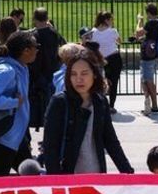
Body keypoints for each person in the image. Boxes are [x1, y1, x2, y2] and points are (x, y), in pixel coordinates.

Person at [42, 46, 133, 175]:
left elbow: (111, 141)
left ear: (94, 74)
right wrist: (57, 180)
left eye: (84, 73)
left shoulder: (100, 102)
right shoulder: (59, 102)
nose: (79, 79)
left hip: (96, 174)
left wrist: (128, 173)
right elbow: (50, 147)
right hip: (68, 176)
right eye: (73, 74)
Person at [0, 31, 37, 176]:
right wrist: (14, 102)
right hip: (3, 137)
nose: (37, 50)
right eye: (36, 46)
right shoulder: (6, 70)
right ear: (26, 50)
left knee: (31, 176)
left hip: (16, 135)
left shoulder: (21, 67)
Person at [28, 7, 66, 129]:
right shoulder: (54, 33)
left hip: (37, 73)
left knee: (39, 104)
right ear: (47, 18)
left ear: (34, 19)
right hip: (53, 70)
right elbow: (64, 44)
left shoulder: (33, 35)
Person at [88, 11, 123, 110]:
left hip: (101, 58)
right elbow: (119, 41)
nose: (112, 21)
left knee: (100, 81)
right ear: (106, 20)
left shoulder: (93, 32)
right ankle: (111, 105)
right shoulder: (113, 31)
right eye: (111, 19)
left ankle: (101, 103)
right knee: (114, 82)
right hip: (114, 57)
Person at [135, 3, 158, 114]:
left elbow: (138, 33)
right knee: (146, 80)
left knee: (147, 81)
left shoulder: (151, 22)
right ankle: (149, 104)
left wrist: (139, 20)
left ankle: (153, 106)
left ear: (148, 13)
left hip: (148, 57)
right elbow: (150, 36)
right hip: (155, 55)